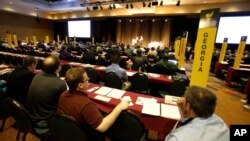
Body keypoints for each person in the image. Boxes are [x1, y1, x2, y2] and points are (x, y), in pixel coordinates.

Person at [58, 67, 130, 141]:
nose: (89, 79)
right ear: (80, 85)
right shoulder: (86, 104)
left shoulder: (63, 95)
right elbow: (102, 127)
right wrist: (119, 107)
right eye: (87, 79)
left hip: (72, 132)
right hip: (88, 135)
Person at [164, 86, 229, 141]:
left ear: (188, 106)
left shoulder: (177, 138)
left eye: (184, 97)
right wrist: (182, 108)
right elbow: (191, 120)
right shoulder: (221, 123)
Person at [28, 55, 67, 137]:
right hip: (46, 123)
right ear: (58, 68)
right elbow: (63, 106)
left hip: (32, 118)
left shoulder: (37, 76)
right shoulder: (60, 84)